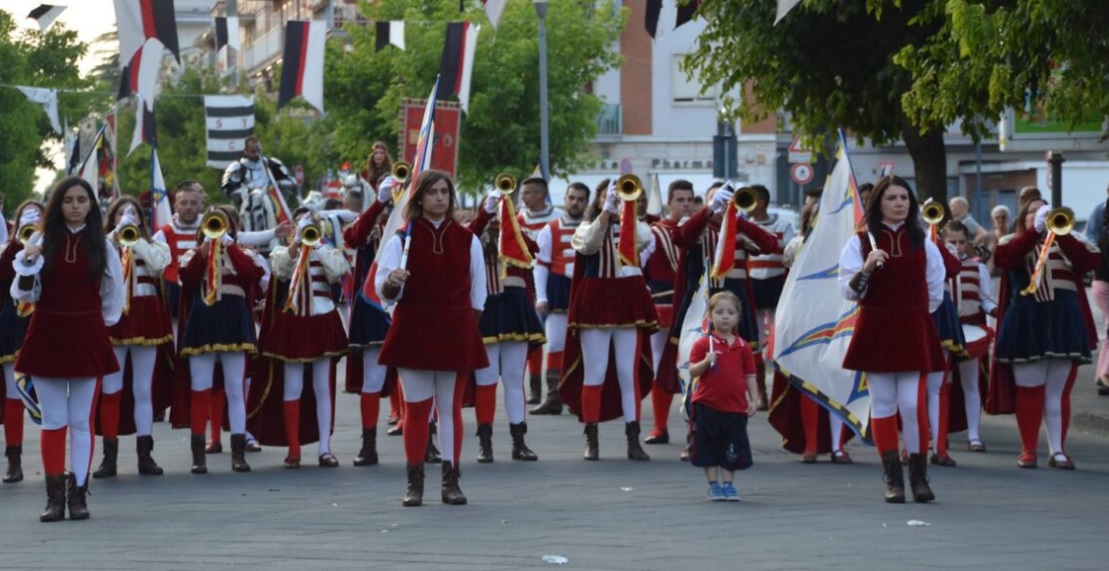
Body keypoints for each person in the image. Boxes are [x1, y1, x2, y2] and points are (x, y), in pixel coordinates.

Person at [10, 176, 124, 522]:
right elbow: (23, 294)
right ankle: (54, 497)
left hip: (87, 332)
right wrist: (28, 263)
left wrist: (96, 325)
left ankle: (78, 494)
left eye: (82, 200)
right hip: (48, 332)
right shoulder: (43, 241)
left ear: (91, 206)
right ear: (58, 205)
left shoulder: (103, 247)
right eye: (68, 200)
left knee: (80, 419)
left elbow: (113, 296)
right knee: (53, 419)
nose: (75, 205)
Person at [375, 170, 488, 507]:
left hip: (455, 329)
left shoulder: (468, 239)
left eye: (444, 192)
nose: (440, 197)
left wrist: (463, 328)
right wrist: (394, 281)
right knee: (416, 410)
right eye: (433, 192)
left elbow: (479, 296)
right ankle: (415, 481)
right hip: (414, 329)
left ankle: (451, 480)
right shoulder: (400, 240)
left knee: (451, 410)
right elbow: (385, 292)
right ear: (419, 197)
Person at [838, 175, 945, 504]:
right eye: (892, 198)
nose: (900, 203)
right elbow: (847, 291)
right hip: (877, 326)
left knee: (912, 404)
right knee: (883, 403)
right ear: (878, 203)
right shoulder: (859, 242)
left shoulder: (923, 242)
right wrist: (867, 269)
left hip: (912, 325)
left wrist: (913, 313)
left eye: (904, 198)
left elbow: (936, 289)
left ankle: (919, 476)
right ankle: (892, 478)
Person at [991, 199, 1099, 470]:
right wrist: (1033, 231)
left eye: (1046, 212)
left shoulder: (1070, 240)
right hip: (1027, 320)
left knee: (1057, 392)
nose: (1040, 215)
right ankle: (1028, 449)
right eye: (1033, 212)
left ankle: (1058, 450)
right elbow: (1008, 260)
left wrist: (1059, 232)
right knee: (1029, 389)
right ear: (1024, 217)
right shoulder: (1010, 241)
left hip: (1063, 321)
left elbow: (1089, 262)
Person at [558, 178, 657, 462]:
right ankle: (592, 438)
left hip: (628, 301)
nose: (610, 200)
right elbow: (587, 246)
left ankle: (633, 439)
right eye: (605, 196)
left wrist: (627, 208)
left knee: (628, 372)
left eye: (614, 195)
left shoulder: (635, 226)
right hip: (596, 301)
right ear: (598, 200)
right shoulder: (586, 227)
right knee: (596, 371)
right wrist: (606, 214)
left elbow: (645, 238)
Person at [256, 213, 350, 468]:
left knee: (322, 387)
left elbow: (339, 271)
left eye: (310, 226)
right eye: (300, 226)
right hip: (294, 321)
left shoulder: (326, 251)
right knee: (292, 386)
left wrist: (317, 244)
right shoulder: (283, 252)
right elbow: (280, 271)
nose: (306, 230)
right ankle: (294, 447)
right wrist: (296, 244)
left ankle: (324, 448)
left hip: (322, 318)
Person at [176, 208, 265, 475]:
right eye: (213, 225)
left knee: (235, 388)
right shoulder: (193, 253)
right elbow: (189, 277)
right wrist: (206, 246)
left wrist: (228, 244)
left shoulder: (243, 252)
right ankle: (198, 454)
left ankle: (237, 453)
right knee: (200, 388)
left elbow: (251, 274)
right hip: (203, 319)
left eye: (221, 225)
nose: (216, 229)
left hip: (233, 319)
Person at [92, 197, 173, 479]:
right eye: (121, 214)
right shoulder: (104, 243)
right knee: (111, 389)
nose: (127, 217)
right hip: (114, 320)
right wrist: (116, 236)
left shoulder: (155, 244)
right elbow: (94, 266)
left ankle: (145, 454)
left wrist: (135, 239)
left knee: (142, 389)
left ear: (141, 219)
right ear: (112, 219)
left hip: (146, 318)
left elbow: (158, 266)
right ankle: (109, 457)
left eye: (133, 214)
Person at [469, 190, 545, 462]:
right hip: (486, 309)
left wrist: (508, 221)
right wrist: (486, 214)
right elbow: (468, 237)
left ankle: (519, 441)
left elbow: (531, 254)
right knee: (486, 380)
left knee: (514, 379)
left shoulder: (517, 234)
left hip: (515, 307)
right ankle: (485, 443)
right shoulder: (474, 235)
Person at [343, 176, 396, 465]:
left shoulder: (414, 225)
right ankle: (369, 444)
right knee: (373, 379)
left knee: (420, 378)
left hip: (408, 306)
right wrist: (379, 203)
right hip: (374, 307)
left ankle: (427, 440)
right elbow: (353, 237)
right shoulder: (371, 224)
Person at [688, 291, 757, 501]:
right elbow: (692, 371)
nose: (725, 317)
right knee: (708, 446)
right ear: (710, 316)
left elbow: (750, 375)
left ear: (737, 317)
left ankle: (728, 484)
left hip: (735, 407)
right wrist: (706, 362)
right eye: (719, 312)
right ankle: (713, 484)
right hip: (708, 405)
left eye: (730, 312)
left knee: (732, 446)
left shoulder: (742, 346)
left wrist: (754, 399)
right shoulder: (703, 345)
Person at [530, 182, 590, 416]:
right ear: (564, 199)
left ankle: (580, 397)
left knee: (585, 346)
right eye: (572, 198)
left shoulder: (593, 227)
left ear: (587, 202)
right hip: (559, 289)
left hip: (585, 290)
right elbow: (540, 264)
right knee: (555, 344)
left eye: (580, 199)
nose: (575, 203)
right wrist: (542, 296)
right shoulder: (550, 228)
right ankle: (553, 397)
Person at [642, 180, 695, 444]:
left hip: (693, 307)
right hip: (662, 304)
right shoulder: (653, 232)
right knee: (660, 364)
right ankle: (659, 426)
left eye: (689, 199)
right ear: (669, 203)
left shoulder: (700, 230)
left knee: (693, 366)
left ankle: (693, 428)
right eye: (680, 200)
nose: (685, 204)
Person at [0, 199, 45, 484]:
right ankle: (14, 459)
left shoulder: (55, 244)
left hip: (45, 323)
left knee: (53, 395)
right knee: (14, 395)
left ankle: (58, 461)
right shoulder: (10, 247)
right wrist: (18, 242)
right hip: (14, 325)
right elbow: (3, 275)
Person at [944, 221, 997, 452]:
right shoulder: (935, 266)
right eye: (952, 242)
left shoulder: (978, 268)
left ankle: (974, 435)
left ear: (968, 243)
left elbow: (985, 299)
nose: (957, 246)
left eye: (961, 242)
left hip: (970, 330)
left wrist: (997, 311)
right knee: (941, 385)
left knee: (970, 383)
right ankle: (937, 432)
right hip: (943, 331)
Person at [746, 184, 796, 411]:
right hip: (753, 283)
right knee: (754, 341)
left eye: (750, 199)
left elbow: (790, 250)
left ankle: (782, 390)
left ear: (762, 202)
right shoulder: (743, 225)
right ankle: (761, 394)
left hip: (777, 283)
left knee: (780, 337)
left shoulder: (783, 225)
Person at [517, 177, 565, 403]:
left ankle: (557, 388)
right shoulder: (519, 219)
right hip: (528, 286)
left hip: (554, 286)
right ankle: (535, 388)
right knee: (533, 338)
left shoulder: (558, 218)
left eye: (527, 193)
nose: (523, 198)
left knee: (558, 340)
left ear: (540, 195)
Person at [220, 135, 296, 251]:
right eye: (252, 151)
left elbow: (289, 181)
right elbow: (227, 187)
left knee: (285, 219)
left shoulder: (271, 164)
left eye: (258, 150)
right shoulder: (238, 167)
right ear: (246, 151)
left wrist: (275, 187)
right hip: (245, 204)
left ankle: (286, 241)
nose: (256, 154)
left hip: (270, 201)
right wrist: (248, 192)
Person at [153, 180, 206, 315]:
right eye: (183, 203)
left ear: (201, 205)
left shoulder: (211, 228)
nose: (188, 207)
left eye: (193, 203)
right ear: (176, 206)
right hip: (173, 292)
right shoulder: (164, 232)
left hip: (203, 291)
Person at [1083, 185, 1109, 395]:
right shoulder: (1099, 211)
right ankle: (1104, 375)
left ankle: (1103, 376)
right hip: (1104, 281)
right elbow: (1089, 238)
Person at [986, 205, 1010, 275]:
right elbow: (985, 257)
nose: (1000, 220)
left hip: (1009, 274)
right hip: (993, 274)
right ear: (993, 221)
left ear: (1008, 219)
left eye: (1003, 217)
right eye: (997, 218)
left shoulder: (1012, 235)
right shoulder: (989, 237)